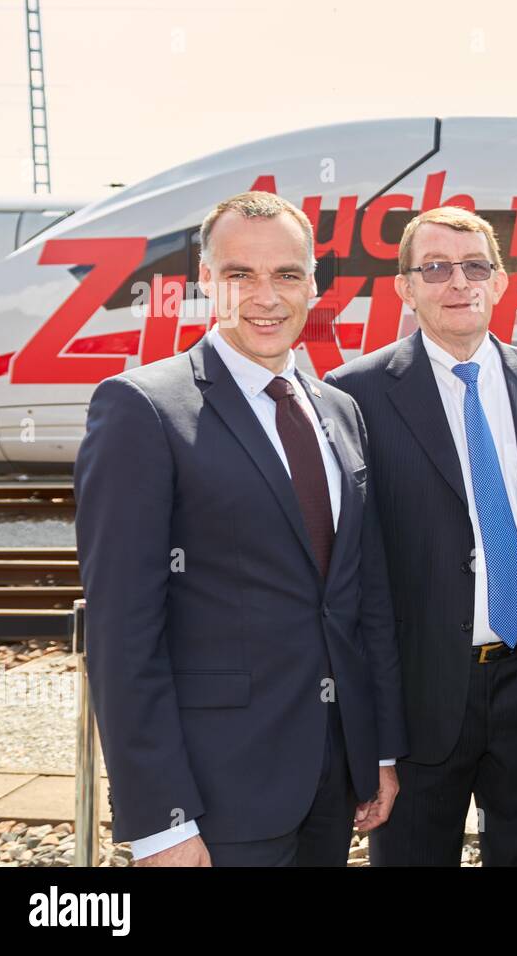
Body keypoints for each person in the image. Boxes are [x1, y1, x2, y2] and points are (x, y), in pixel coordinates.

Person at [75, 191, 406, 866]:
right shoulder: (144, 408)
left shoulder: (338, 410)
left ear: (313, 284)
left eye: (286, 274)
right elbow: (122, 636)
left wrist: (376, 751)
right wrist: (161, 820)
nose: (266, 295)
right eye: (239, 275)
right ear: (205, 281)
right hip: (213, 794)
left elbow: (361, 597)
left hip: (330, 777)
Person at [326, 206, 517, 866]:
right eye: (435, 268)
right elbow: (347, 571)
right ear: (404, 287)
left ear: (500, 282)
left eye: (476, 266)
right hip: (418, 697)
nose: (458, 282)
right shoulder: (352, 396)